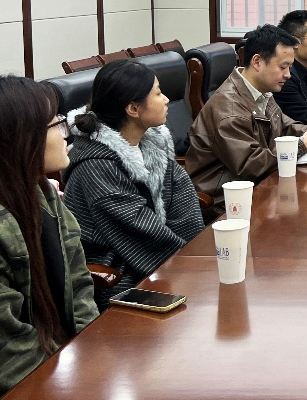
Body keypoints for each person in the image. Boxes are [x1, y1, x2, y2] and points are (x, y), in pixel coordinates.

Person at [62, 60, 205, 308]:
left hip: (162, 262)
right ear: (133, 108)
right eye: (158, 93)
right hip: (120, 277)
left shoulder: (152, 143)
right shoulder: (96, 167)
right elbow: (142, 233)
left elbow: (184, 205)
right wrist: (194, 268)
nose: (167, 100)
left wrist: (198, 257)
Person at [0, 76, 98, 395]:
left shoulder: (43, 194)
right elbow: (11, 356)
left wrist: (91, 354)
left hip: (63, 362)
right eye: (56, 123)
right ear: (22, 138)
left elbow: (80, 285)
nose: (66, 132)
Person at [186, 24, 307, 211]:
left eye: (290, 67)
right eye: (283, 67)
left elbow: (285, 126)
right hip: (228, 201)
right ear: (257, 62)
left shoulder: (260, 92)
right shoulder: (229, 109)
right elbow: (250, 165)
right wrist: (302, 145)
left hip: (260, 186)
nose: (288, 75)